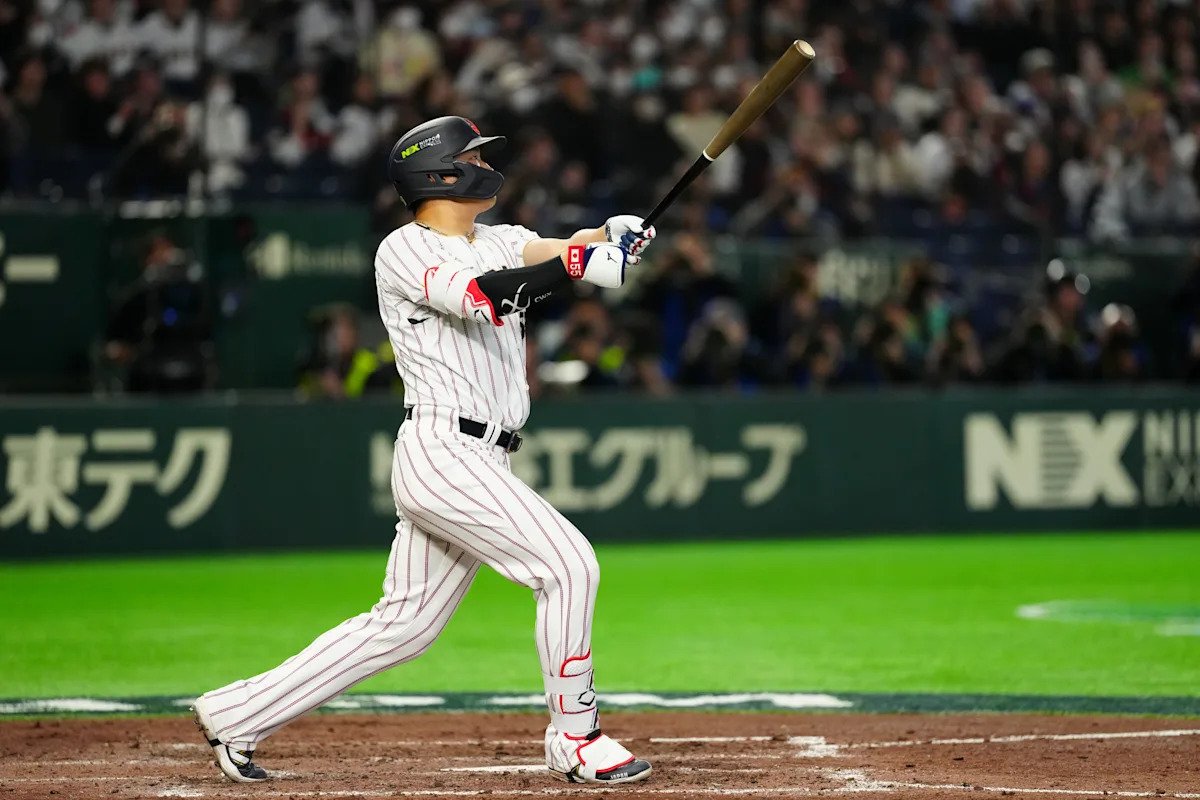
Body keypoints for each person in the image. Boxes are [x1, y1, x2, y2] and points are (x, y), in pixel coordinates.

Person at [191, 116, 656, 786]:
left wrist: (612, 235)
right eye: (471, 156)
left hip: (481, 457)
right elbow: (482, 298)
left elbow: (554, 249)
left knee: (403, 626)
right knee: (569, 566)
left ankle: (236, 713)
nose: (486, 165)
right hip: (445, 450)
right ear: (438, 173)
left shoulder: (494, 237)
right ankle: (576, 738)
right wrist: (581, 265)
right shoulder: (403, 249)